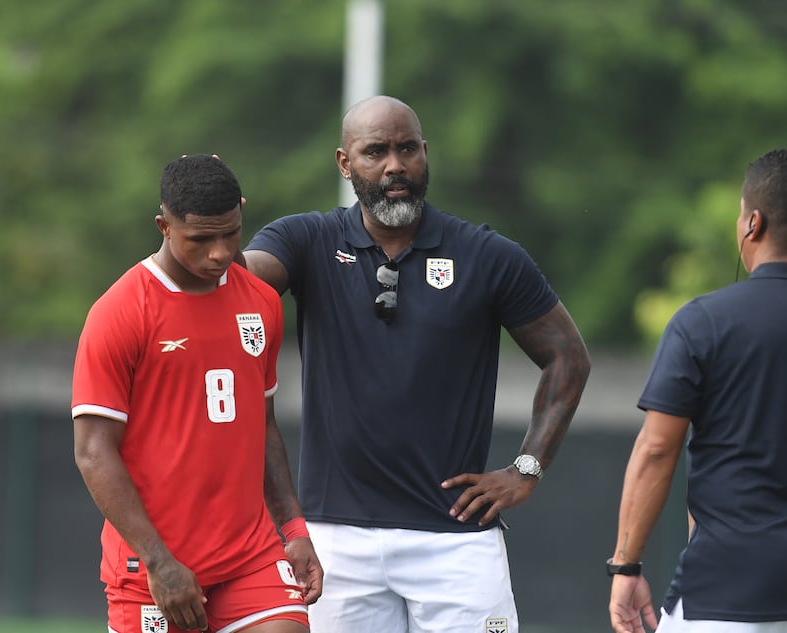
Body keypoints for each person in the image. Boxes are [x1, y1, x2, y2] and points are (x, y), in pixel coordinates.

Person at [241, 95, 591, 633]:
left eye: (407, 149)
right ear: (344, 163)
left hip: (455, 541)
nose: (394, 165)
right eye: (375, 151)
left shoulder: (487, 254)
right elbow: (237, 281)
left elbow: (568, 356)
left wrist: (526, 470)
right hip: (336, 542)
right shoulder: (306, 239)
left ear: (426, 154)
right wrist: (200, 243)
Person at [72, 154, 323, 633]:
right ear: (164, 226)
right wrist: (158, 561)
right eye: (201, 239)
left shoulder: (262, 303)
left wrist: (292, 529)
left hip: (249, 557)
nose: (220, 252)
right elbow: (92, 452)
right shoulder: (120, 312)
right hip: (154, 569)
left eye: (231, 233)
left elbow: (262, 426)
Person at [608, 149, 787, 632]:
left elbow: (657, 449)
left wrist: (626, 565)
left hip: (724, 592)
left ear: (752, 223)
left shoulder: (703, 322)